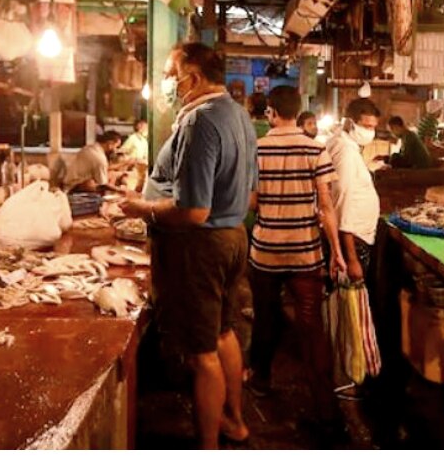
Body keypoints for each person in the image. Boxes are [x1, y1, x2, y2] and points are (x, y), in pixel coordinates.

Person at [120, 42, 257, 449]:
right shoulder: (239, 116)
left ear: (193, 77)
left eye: (169, 73)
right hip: (233, 237)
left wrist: (141, 208)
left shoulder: (200, 121)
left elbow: (194, 210)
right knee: (224, 333)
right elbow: (250, 196)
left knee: (201, 355)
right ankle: (235, 421)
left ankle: (209, 446)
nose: (165, 82)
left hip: (201, 247)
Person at [247, 86, 347, 435]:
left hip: (265, 252)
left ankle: (259, 380)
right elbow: (326, 206)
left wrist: (274, 203)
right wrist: (336, 250)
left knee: (265, 318)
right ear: (299, 112)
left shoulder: (256, 149)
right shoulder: (316, 148)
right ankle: (327, 411)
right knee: (311, 329)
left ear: (271, 113)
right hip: (306, 254)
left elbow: (253, 203)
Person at [326, 99, 382, 284]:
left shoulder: (344, 144)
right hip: (352, 242)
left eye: (373, 127)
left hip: (354, 238)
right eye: (366, 126)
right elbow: (343, 202)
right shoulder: (346, 151)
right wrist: (351, 259)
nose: (369, 132)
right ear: (350, 122)